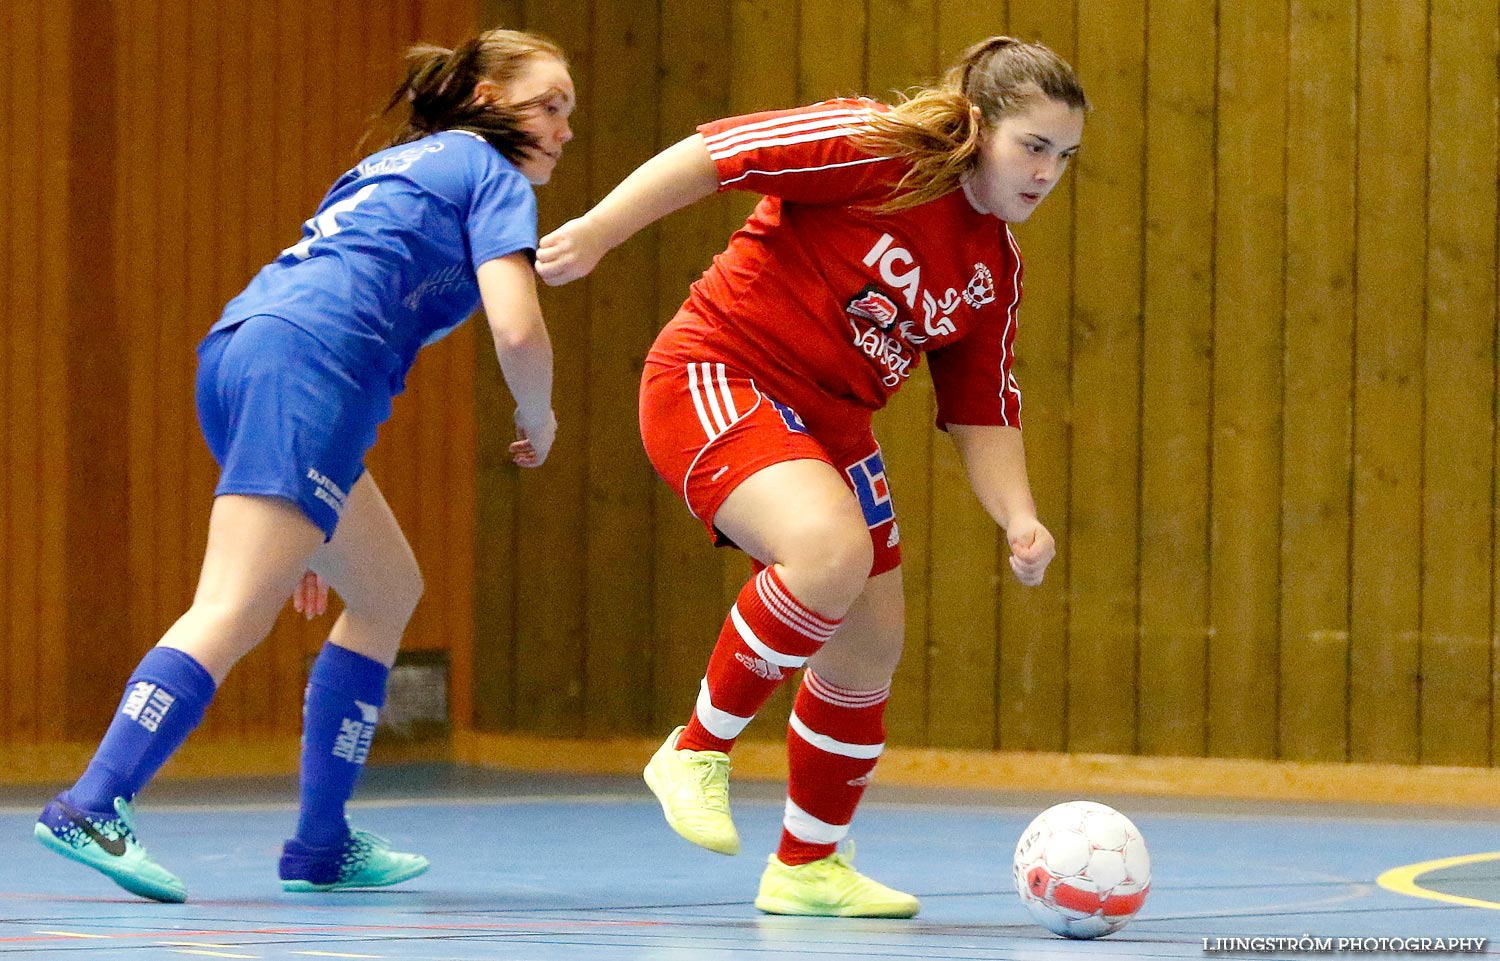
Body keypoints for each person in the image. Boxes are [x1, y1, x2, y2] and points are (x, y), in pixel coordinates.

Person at [537, 37, 1084, 917]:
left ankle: (807, 864)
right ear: (978, 126)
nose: (1047, 172)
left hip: (830, 422)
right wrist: (600, 231)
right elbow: (719, 153)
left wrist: (1019, 517)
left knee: (871, 639)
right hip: (721, 372)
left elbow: (983, 407)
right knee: (831, 550)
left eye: (1065, 157)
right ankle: (694, 749)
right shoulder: (874, 145)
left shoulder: (992, 269)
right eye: (1033, 146)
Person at [34, 28, 575, 903]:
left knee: (387, 586)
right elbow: (516, 326)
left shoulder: (392, 167)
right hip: (308, 371)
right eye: (549, 104)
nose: (563, 126)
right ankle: (92, 802)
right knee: (233, 607)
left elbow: (345, 296)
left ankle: (321, 842)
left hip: (247, 351)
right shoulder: (492, 174)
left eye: (568, 112)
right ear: (484, 100)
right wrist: (538, 414)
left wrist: (313, 526)